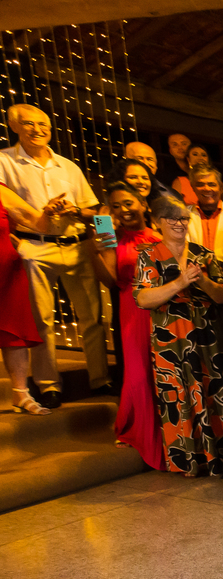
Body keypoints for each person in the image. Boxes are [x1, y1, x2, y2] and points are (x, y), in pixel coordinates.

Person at [1, 103, 110, 405]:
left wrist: (90, 225)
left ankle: (100, 379)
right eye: (30, 124)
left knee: (93, 317)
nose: (38, 129)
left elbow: (96, 209)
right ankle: (49, 385)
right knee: (41, 320)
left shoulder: (68, 166)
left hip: (76, 246)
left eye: (44, 123)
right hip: (33, 246)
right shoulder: (4, 161)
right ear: (14, 127)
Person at [134, 195, 223, 475]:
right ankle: (189, 461)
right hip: (169, 337)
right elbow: (142, 298)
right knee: (177, 395)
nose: (179, 223)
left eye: (183, 218)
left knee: (217, 390)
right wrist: (180, 282)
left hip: (206, 334)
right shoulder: (147, 254)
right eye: (172, 217)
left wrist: (203, 280)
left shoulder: (202, 253)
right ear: (158, 222)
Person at [93, 182, 164, 468]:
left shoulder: (159, 237)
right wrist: (96, 249)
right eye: (116, 205)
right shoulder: (110, 239)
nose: (123, 210)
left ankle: (168, 429)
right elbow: (109, 279)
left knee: (159, 368)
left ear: (144, 204)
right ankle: (138, 429)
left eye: (128, 203)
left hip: (159, 309)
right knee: (137, 371)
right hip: (130, 310)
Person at [0, 180, 66, 414]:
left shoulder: (0, 191)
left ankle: (21, 394)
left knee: (13, 333)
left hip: (5, 272)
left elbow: (38, 223)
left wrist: (48, 211)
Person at [185, 166, 223, 256]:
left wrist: (210, 257)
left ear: (220, 188)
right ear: (192, 187)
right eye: (200, 185)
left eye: (212, 184)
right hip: (193, 268)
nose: (207, 189)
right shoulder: (182, 215)